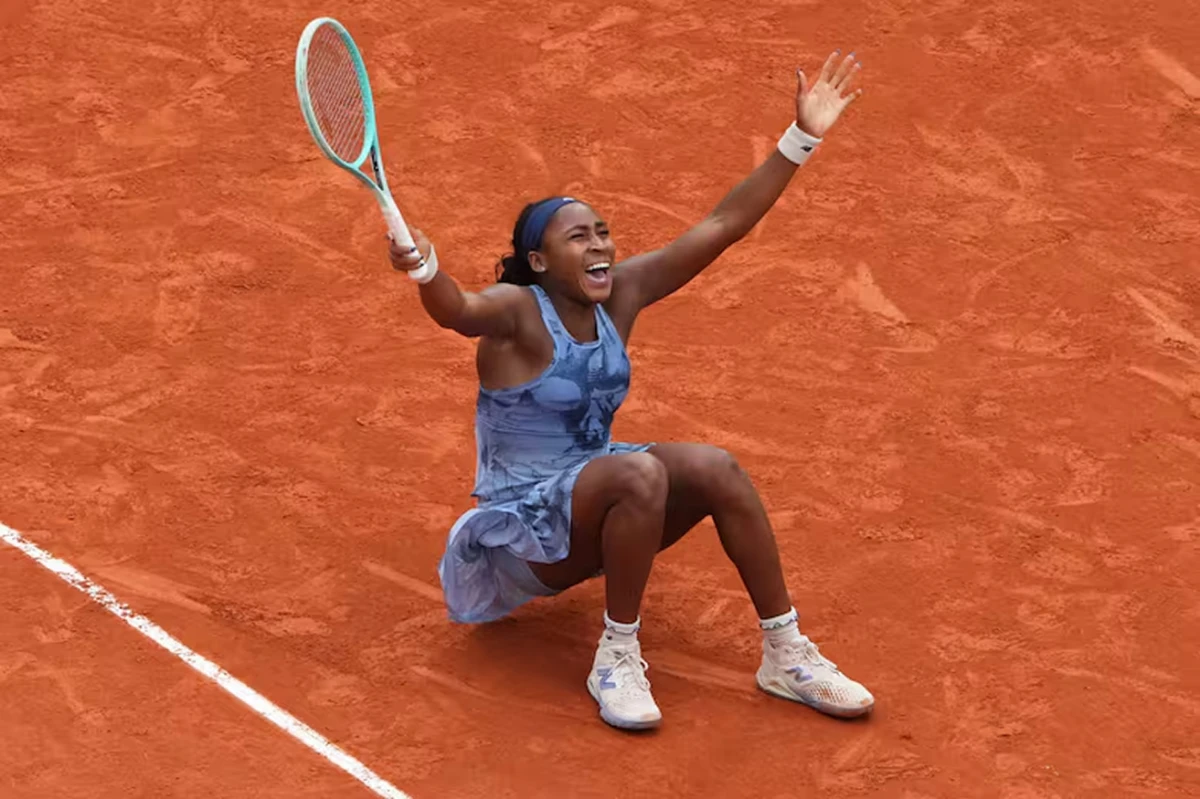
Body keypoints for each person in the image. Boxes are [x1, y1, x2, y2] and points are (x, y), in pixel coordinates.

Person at [388, 51, 872, 730]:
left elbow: (721, 227)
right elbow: (456, 309)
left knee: (716, 469)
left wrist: (801, 138)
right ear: (538, 261)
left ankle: (785, 649)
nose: (601, 246)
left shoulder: (623, 294)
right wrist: (425, 267)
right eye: (578, 236)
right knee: (641, 473)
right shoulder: (516, 311)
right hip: (525, 534)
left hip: (599, 496)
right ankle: (616, 655)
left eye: (604, 232)